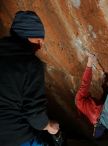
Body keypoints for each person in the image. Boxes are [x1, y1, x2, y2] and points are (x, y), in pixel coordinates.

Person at [0, 11, 59, 146]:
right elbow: (34, 113)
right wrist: (49, 125)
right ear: (27, 36)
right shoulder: (31, 64)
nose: (40, 45)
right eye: (38, 40)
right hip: (13, 135)